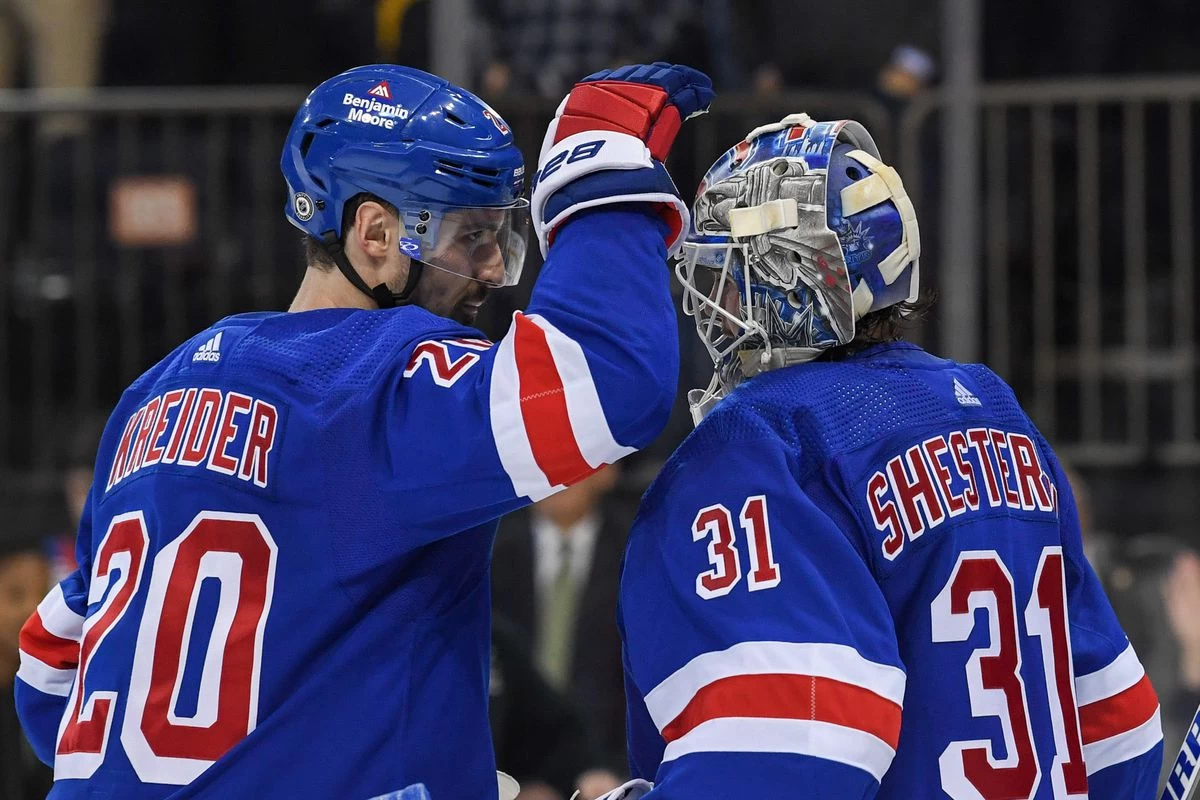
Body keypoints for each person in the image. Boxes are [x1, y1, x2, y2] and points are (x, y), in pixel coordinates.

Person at [14, 62, 713, 798]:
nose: (490, 269)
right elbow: (608, 379)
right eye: (471, 236)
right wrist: (597, 157)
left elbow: (51, 668)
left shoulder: (151, 395)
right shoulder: (375, 378)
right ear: (375, 232)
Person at [604, 114, 1163, 799]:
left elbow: (796, 747)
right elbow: (1119, 725)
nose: (713, 304)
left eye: (726, 275)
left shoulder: (758, 441)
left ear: (788, 278)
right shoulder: (994, 411)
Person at [492, 465, 630, 781]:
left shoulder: (637, 551)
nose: (557, 471)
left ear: (608, 470)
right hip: (507, 770)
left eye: (572, 454)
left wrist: (616, 772)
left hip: (609, 769)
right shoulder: (486, 557)